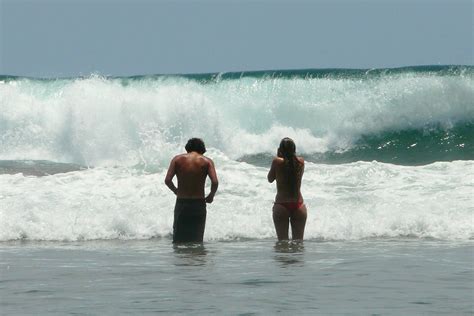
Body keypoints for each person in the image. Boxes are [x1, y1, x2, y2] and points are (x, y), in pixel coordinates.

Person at [165, 138, 218, 243]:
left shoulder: (177, 159)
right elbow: (215, 181)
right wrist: (211, 195)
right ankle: (196, 258)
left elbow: (167, 180)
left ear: (187, 148)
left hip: (182, 202)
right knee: (197, 239)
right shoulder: (207, 161)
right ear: (202, 149)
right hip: (198, 203)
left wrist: (176, 190)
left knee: (178, 239)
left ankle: (180, 258)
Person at [267, 137, 307, 240]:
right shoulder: (301, 162)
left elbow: (270, 179)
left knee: (282, 243)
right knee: (298, 243)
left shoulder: (277, 162)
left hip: (282, 205)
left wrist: (278, 155)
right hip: (299, 205)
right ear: (294, 149)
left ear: (280, 150)